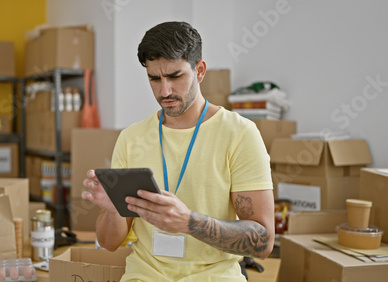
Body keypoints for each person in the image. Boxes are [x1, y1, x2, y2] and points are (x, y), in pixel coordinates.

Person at [82, 21, 275, 281]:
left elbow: (263, 243)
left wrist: (188, 222)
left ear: (200, 70)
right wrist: (114, 210)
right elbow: (108, 244)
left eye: (175, 76)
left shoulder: (240, 134)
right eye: (154, 78)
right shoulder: (131, 138)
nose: (165, 91)